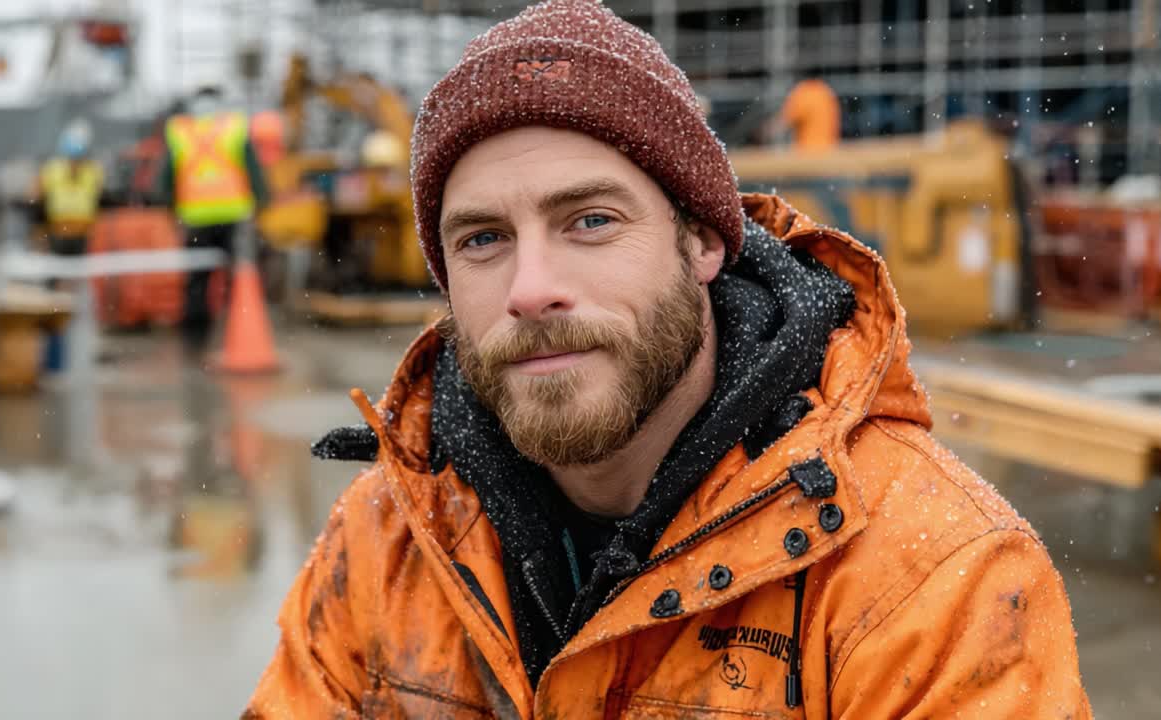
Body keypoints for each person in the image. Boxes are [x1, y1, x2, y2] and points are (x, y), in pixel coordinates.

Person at [245, 2, 1092, 718]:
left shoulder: (932, 579)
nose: (530, 289)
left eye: (591, 221)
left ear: (702, 241)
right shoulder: (387, 537)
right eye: (483, 239)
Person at [161, 86, 269, 354]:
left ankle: (196, 338)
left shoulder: (181, 131)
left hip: (196, 218)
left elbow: (166, 177)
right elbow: (252, 169)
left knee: (197, 280)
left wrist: (168, 205)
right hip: (233, 216)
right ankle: (232, 334)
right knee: (238, 277)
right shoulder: (233, 128)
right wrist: (262, 199)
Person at [37, 119, 104, 262]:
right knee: (57, 269)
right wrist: (40, 230)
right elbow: (38, 200)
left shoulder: (93, 172)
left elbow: (100, 199)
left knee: (78, 271)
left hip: (84, 232)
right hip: (57, 230)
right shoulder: (52, 170)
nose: (75, 162)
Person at [764, 75, 841, 151]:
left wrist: (762, 134)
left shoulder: (804, 92)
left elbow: (783, 122)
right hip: (830, 148)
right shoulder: (825, 91)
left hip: (808, 151)